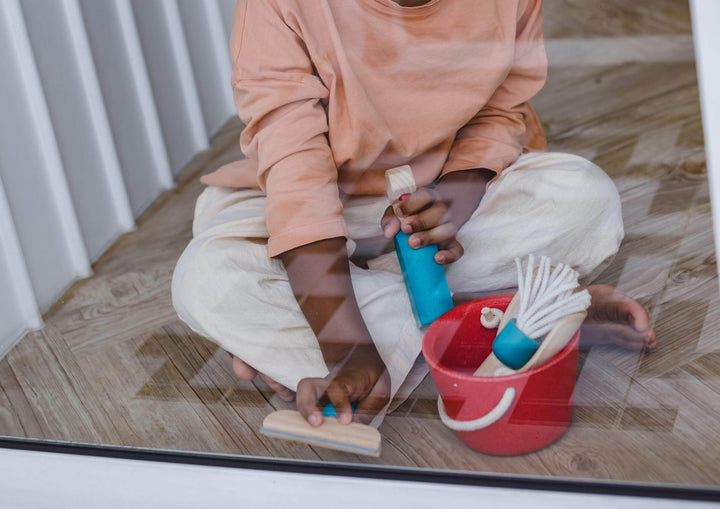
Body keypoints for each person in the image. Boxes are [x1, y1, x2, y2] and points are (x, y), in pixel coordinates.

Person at [171, 0, 657, 429]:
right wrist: (346, 348)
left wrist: (452, 200)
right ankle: (526, 317)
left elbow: (500, 111)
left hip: (436, 194)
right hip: (300, 212)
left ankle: (324, 323)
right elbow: (295, 177)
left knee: (583, 197)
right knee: (207, 279)